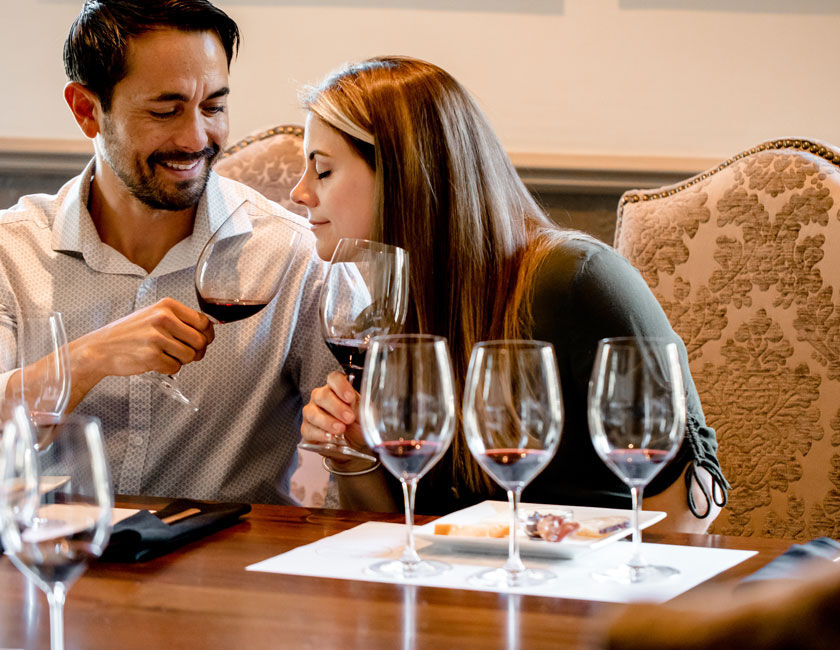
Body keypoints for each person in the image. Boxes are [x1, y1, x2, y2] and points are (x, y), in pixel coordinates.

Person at [294, 56, 728, 531]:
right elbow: (394, 531)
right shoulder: (384, 315)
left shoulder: (576, 281)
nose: (299, 192)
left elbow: (689, 507)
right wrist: (353, 448)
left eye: (323, 171)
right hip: (463, 591)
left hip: (592, 591)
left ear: (404, 175)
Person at [0, 0, 336, 505]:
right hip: (53, 563)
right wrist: (89, 358)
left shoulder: (291, 254)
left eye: (214, 107)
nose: (196, 138)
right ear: (87, 110)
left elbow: (353, 455)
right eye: (166, 110)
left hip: (227, 571)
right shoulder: (11, 250)